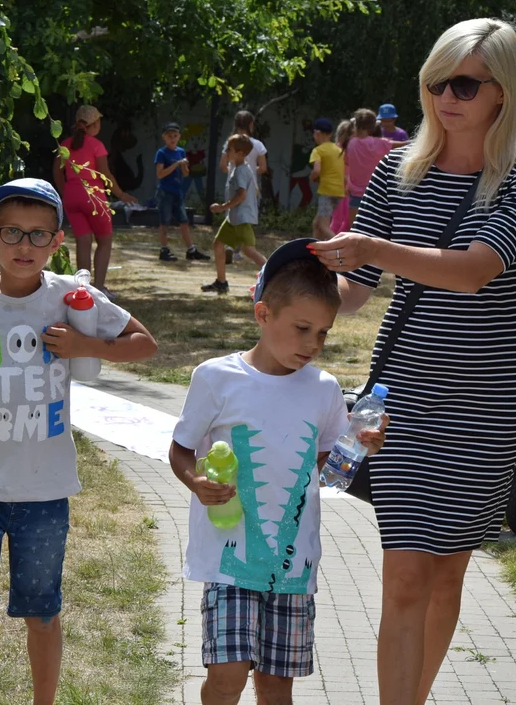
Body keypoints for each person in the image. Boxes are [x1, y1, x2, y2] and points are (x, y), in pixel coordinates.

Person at [310, 19, 516, 705]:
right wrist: (295, 302)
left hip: (484, 402)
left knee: (447, 571)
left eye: (463, 83)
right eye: (434, 80)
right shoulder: (398, 168)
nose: (445, 95)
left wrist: (373, 250)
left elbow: (476, 270)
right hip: (406, 397)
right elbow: (356, 292)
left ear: (499, 92)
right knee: (405, 573)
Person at [0, 178, 158, 705]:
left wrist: (83, 343)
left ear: (56, 242)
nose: (23, 246)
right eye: (11, 233)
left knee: (42, 612)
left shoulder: (71, 297)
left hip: (45, 490)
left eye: (37, 235)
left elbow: (144, 344)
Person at [169, 240, 387, 705]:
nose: (313, 344)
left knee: (274, 688)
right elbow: (180, 450)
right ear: (263, 314)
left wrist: (359, 448)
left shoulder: (324, 389)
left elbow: (331, 474)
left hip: (293, 567)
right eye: (303, 328)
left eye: (324, 333)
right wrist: (196, 483)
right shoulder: (216, 378)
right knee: (226, 677)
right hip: (229, 559)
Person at [52, 105, 137, 300]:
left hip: (71, 195)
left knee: (83, 241)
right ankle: (98, 289)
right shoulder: (96, 145)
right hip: (94, 195)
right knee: (104, 241)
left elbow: (57, 171)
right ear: (95, 124)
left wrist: (66, 191)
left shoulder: (65, 144)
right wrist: (121, 194)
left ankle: (84, 288)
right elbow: (105, 174)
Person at [202, 135, 267, 293]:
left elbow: (241, 195)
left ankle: (276, 274)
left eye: (229, 150)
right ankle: (221, 282)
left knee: (248, 250)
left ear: (241, 154)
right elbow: (255, 191)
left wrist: (222, 207)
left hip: (242, 218)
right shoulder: (239, 169)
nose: (226, 152)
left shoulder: (241, 171)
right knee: (218, 244)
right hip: (234, 218)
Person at [154, 122, 211, 263]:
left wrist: (184, 166)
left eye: (175, 136)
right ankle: (164, 249)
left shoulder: (181, 152)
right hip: (165, 191)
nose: (172, 138)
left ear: (179, 137)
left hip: (177, 191)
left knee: (184, 221)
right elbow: (160, 174)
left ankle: (191, 249)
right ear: (164, 138)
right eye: (169, 136)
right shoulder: (161, 153)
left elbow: (186, 174)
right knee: (164, 222)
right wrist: (175, 164)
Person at [220, 110, 270, 264]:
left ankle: (231, 245)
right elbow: (263, 168)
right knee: (245, 216)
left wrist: (234, 171)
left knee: (232, 212)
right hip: (250, 187)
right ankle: (237, 247)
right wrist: (248, 171)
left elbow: (223, 166)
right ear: (251, 125)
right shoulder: (257, 144)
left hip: (232, 184)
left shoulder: (230, 143)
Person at [345, 108, 396, 226]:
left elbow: (347, 162)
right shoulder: (379, 143)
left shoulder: (351, 143)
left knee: (354, 231)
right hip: (375, 195)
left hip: (355, 196)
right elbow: (401, 145)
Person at [309, 118, 345, 240]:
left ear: (317, 133)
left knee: (323, 226)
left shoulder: (317, 150)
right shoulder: (339, 150)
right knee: (316, 224)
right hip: (339, 192)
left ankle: (339, 248)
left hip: (326, 191)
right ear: (330, 134)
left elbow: (316, 170)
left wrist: (312, 177)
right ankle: (315, 252)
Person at [330, 119, 355, 235]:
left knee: (345, 221)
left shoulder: (350, 149)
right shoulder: (338, 149)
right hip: (340, 190)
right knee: (339, 220)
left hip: (347, 190)